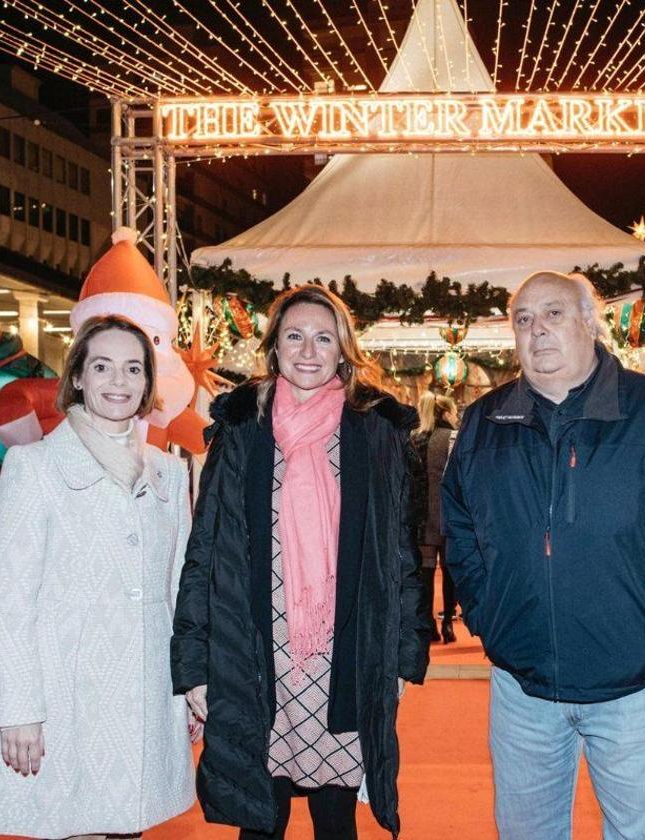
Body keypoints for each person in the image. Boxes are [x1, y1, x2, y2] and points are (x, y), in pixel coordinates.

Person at [442, 270, 645, 840]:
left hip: (633, 682)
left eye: (553, 314)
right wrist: (487, 616)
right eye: (523, 320)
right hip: (523, 686)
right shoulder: (484, 422)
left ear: (589, 323)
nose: (537, 331)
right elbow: (459, 525)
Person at [171, 285, 430, 840]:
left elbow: (400, 554)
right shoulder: (241, 430)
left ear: (343, 349)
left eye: (323, 337)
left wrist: (404, 655)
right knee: (261, 816)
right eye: (295, 336)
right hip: (255, 651)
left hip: (343, 654)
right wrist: (194, 664)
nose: (308, 350)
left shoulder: (377, 431)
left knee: (336, 817)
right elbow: (205, 549)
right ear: (274, 347)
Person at [0, 315, 196, 839]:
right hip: (65, 692)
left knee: (129, 825)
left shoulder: (169, 472)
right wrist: (18, 710)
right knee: (75, 824)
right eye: (102, 367)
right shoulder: (34, 467)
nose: (118, 382)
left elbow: (180, 592)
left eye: (132, 369)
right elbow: (8, 601)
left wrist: (188, 687)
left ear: (148, 383)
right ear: (77, 376)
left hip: (145, 688)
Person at [411, 390, 460, 643]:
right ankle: (449, 623)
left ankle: (428, 623)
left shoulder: (415, 438)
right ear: (445, 412)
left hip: (422, 518)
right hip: (449, 518)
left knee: (426, 572)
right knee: (450, 571)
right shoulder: (453, 437)